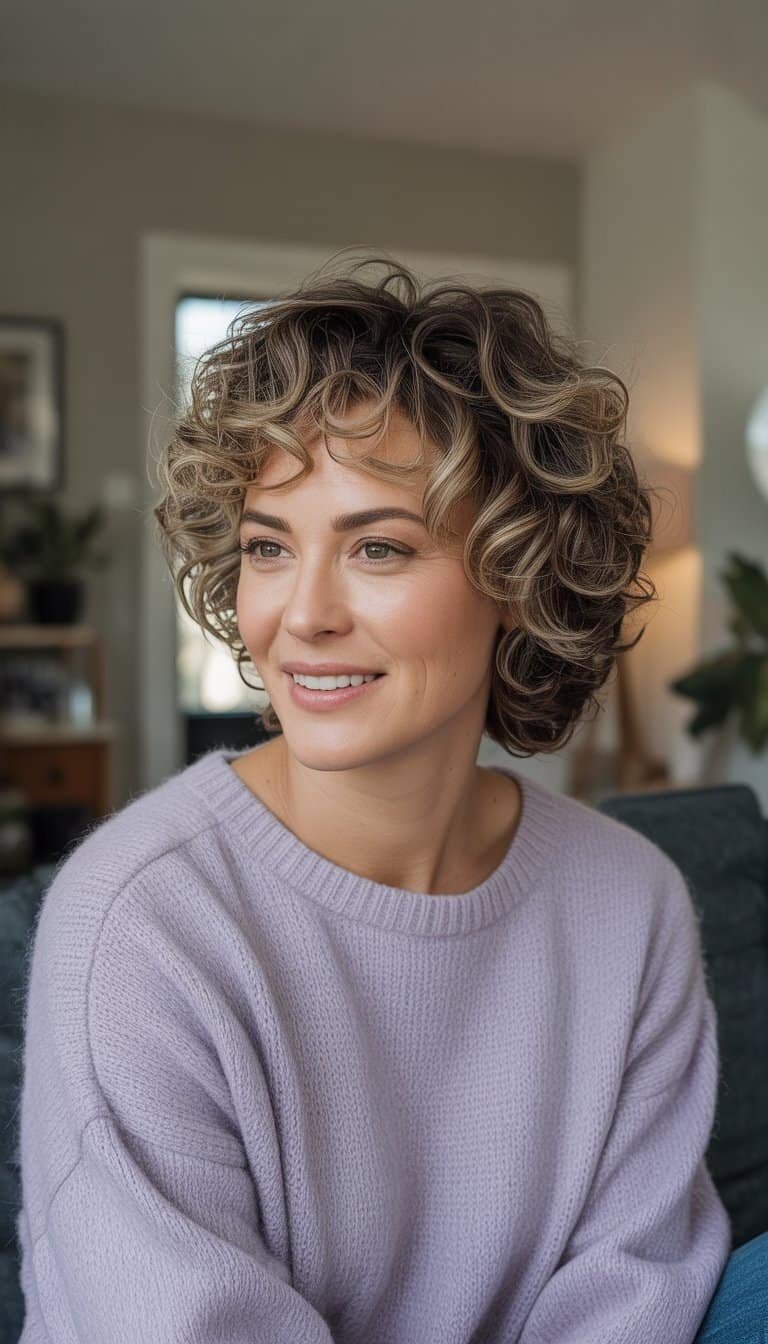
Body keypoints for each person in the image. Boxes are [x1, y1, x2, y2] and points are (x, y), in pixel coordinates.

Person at [15, 251, 735, 1342]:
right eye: (269, 547)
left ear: (519, 577)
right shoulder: (141, 920)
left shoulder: (630, 903)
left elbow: (637, 1290)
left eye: (380, 548)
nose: (301, 615)